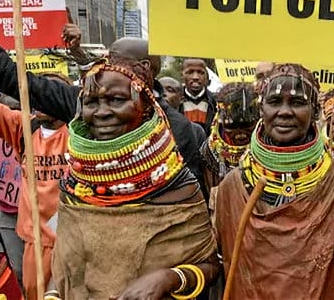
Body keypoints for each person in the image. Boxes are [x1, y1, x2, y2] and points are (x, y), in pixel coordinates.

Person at [0, 0, 209, 193]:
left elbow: (188, 196)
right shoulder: (80, 102)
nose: (101, 113)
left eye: (117, 63)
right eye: (107, 60)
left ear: (145, 70)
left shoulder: (177, 128)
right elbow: (10, 77)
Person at [214, 64, 334, 298]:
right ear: (262, 109)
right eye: (275, 102)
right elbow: (225, 268)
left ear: (315, 112)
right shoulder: (234, 186)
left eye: (297, 103)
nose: (285, 111)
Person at [50, 58, 217, 298]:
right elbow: (64, 265)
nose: (102, 112)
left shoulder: (176, 184)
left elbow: (210, 265)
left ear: (146, 105)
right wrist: (51, 294)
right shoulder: (76, 185)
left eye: (117, 100)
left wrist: (167, 278)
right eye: (91, 102)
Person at [0, 49, 69, 300]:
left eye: (52, 93)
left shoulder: (84, 133)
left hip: (74, 240)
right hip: (35, 242)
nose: (43, 98)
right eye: (39, 91)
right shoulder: (23, 126)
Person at [200, 81, 260, 191]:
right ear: (221, 120)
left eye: (247, 125)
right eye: (231, 126)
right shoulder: (209, 152)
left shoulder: (269, 147)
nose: (240, 133)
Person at [182, 58, 217, 129]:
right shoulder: (174, 102)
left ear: (206, 76)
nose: (195, 77)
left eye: (200, 72)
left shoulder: (216, 102)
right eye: (190, 72)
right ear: (182, 75)